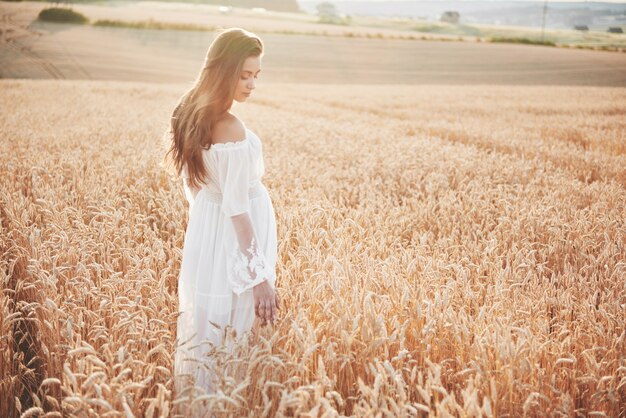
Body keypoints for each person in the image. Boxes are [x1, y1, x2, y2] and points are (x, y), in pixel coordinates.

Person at [162, 27, 280, 401]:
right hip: (236, 233)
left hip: (208, 230)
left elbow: (193, 187)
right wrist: (259, 276)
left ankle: (199, 404)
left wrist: (205, 231)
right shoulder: (231, 128)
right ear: (224, 71)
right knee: (235, 328)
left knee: (208, 321)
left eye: (256, 75)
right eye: (244, 74)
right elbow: (237, 209)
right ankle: (223, 405)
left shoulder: (189, 111)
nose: (251, 84)